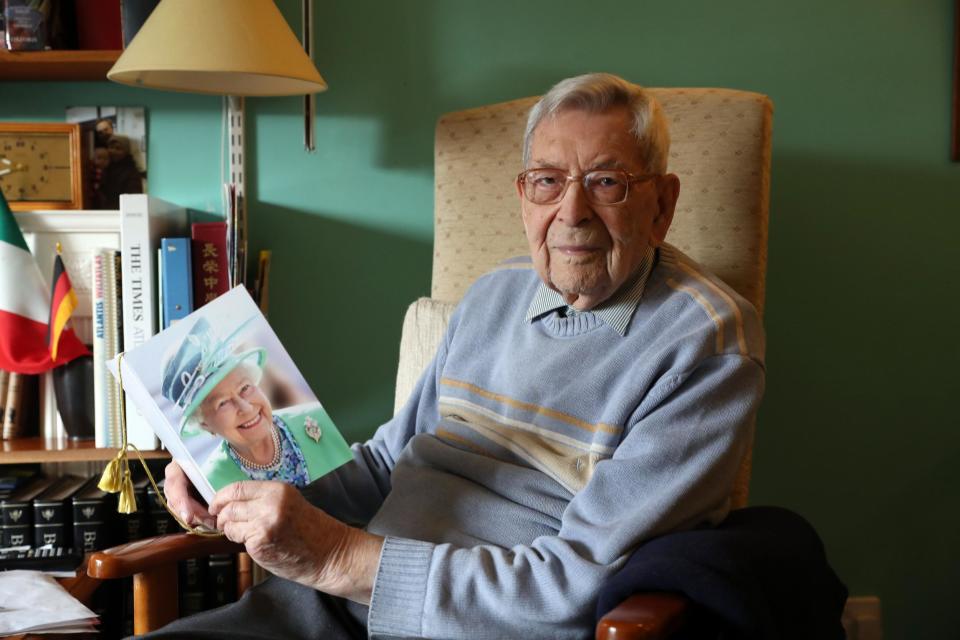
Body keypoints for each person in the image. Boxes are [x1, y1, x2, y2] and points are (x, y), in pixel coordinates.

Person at [153, 73, 765, 640]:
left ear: (661, 205)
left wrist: (338, 555)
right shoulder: (495, 290)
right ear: (524, 195)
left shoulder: (705, 343)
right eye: (548, 180)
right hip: (334, 605)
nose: (571, 213)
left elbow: (576, 585)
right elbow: (383, 468)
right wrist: (234, 477)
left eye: (607, 183)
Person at [160, 317, 352, 490]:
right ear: (205, 424)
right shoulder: (213, 484)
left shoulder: (319, 418)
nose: (245, 407)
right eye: (223, 403)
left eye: (245, 388)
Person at [98, 134, 143, 209]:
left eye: (118, 148)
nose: (113, 151)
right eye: (111, 147)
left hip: (119, 213)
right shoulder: (105, 167)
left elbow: (134, 199)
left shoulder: (131, 172)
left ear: (126, 152)